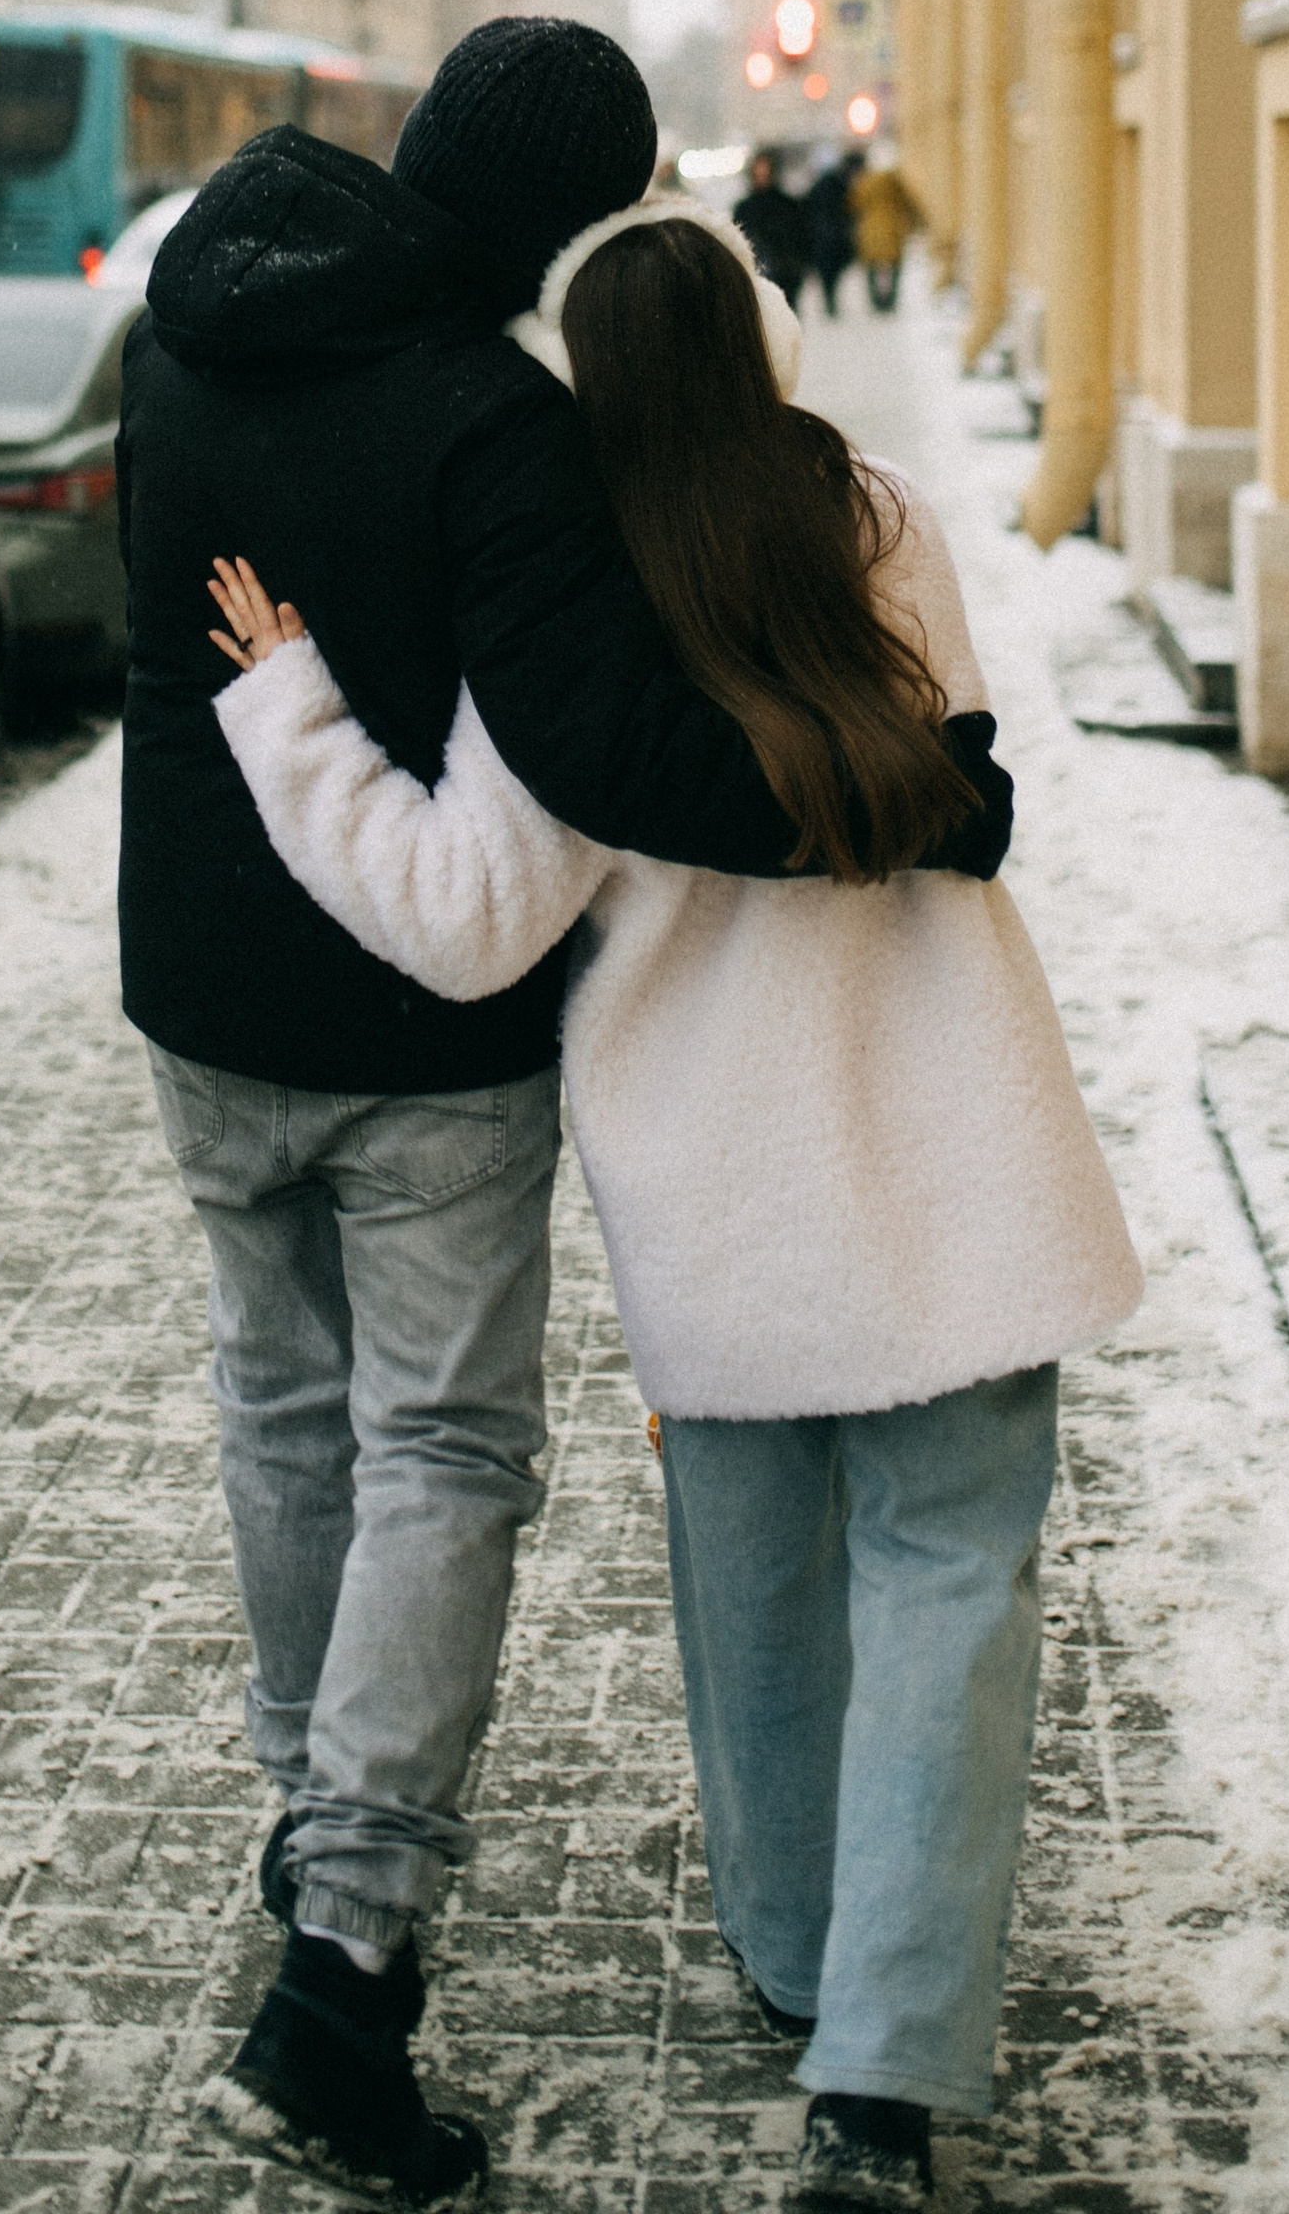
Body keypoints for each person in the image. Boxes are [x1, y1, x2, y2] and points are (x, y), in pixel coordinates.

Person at [203, 194, 1140, 2210]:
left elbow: (460, 921)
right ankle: (879, 2080)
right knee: (951, 1588)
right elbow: (954, 761)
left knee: (760, 1607)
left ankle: (802, 1965)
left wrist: (285, 705)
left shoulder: (567, 605)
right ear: (764, 338)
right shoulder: (876, 521)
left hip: (720, 1204)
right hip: (955, 1155)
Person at [115, 20, 810, 2206]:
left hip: (199, 989)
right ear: (577, 216)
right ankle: (343, 1965)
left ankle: (305, 1820)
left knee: (276, 1405)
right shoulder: (497, 422)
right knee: (439, 1450)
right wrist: (869, 796)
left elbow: (171, 647)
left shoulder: (189, 336)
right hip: (420, 1033)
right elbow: (590, 743)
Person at [733, 144, 808, 301]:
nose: (762, 176)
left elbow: (800, 236)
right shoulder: (744, 208)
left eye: (765, 171)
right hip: (757, 276)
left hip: (785, 276)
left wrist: (797, 266)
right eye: (758, 172)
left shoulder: (787, 204)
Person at [851, 154, 922, 315]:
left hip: (870, 230)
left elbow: (854, 203)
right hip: (892, 228)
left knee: (871, 266)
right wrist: (916, 223)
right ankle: (891, 300)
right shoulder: (894, 182)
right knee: (895, 265)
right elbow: (909, 204)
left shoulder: (865, 182)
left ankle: (876, 301)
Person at [801, 151, 861, 319]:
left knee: (828, 275)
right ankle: (830, 303)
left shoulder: (821, 187)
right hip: (831, 237)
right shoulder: (839, 187)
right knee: (831, 274)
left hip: (823, 237)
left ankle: (829, 302)